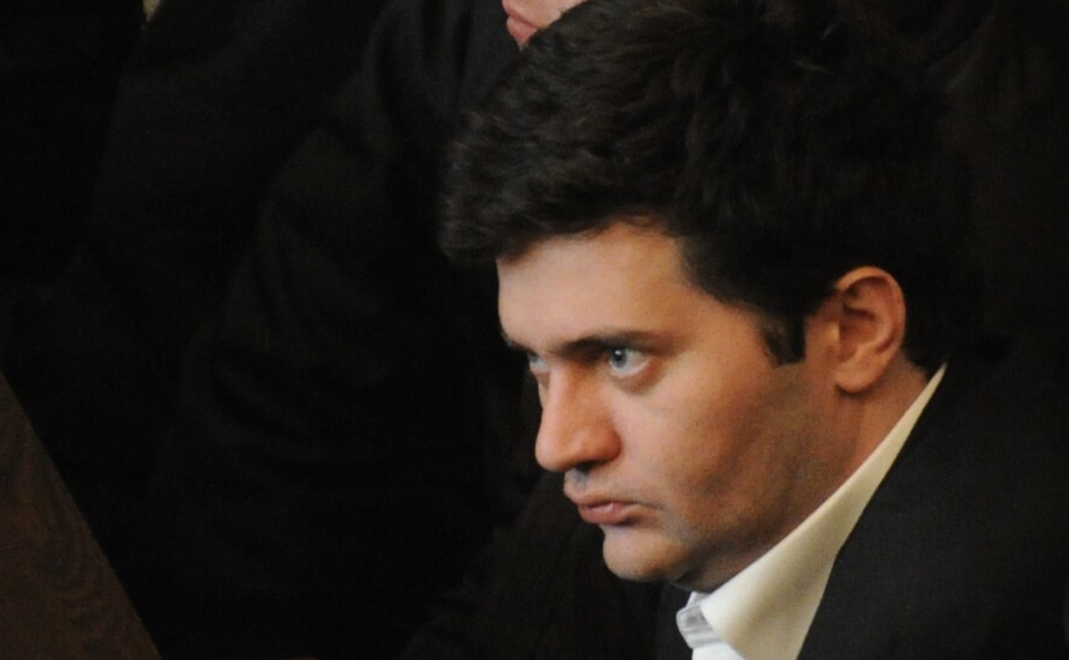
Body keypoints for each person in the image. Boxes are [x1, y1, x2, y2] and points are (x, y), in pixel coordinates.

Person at [427, 0, 1069, 657]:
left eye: (620, 357)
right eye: (537, 365)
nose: (557, 445)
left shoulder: (992, 623)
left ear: (855, 330)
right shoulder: (734, 525)